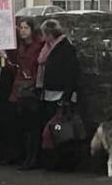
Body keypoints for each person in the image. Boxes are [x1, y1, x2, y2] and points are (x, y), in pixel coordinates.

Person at [39, 19, 81, 172]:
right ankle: (54, 161)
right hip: (50, 94)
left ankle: (64, 163)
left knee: (61, 131)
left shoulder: (65, 48)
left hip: (61, 95)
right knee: (53, 131)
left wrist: (67, 96)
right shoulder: (49, 48)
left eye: (44, 34)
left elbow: (71, 73)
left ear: (50, 34)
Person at [10, 18, 45, 171]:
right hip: (20, 88)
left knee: (33, 126)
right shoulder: (20, 47)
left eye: (26, 28)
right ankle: (25, 157)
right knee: (23, 126)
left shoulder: (38, 46)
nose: (22, 30)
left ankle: (33, 159)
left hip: (32, 89)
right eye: (21, 28)